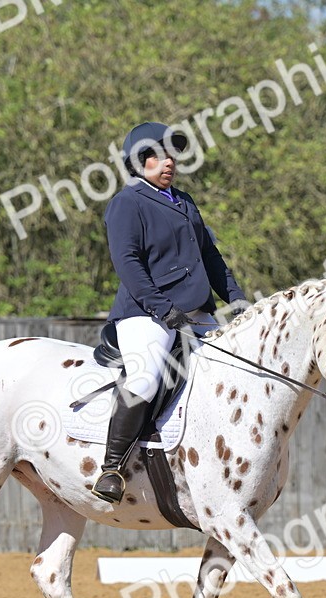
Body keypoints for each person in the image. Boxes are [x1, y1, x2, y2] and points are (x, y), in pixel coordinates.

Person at [91, 121, 248, 504]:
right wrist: (165, 310)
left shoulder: (185, 202)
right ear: (138, 160)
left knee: (237, 368)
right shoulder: (127, 202)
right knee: (145, 379)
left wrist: (241, 304)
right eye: (158, 155)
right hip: (146, 312)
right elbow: (128, 263)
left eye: (171, 155)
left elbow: (211, 259)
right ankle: (112, 467)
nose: (168, 162)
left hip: (196, 311)